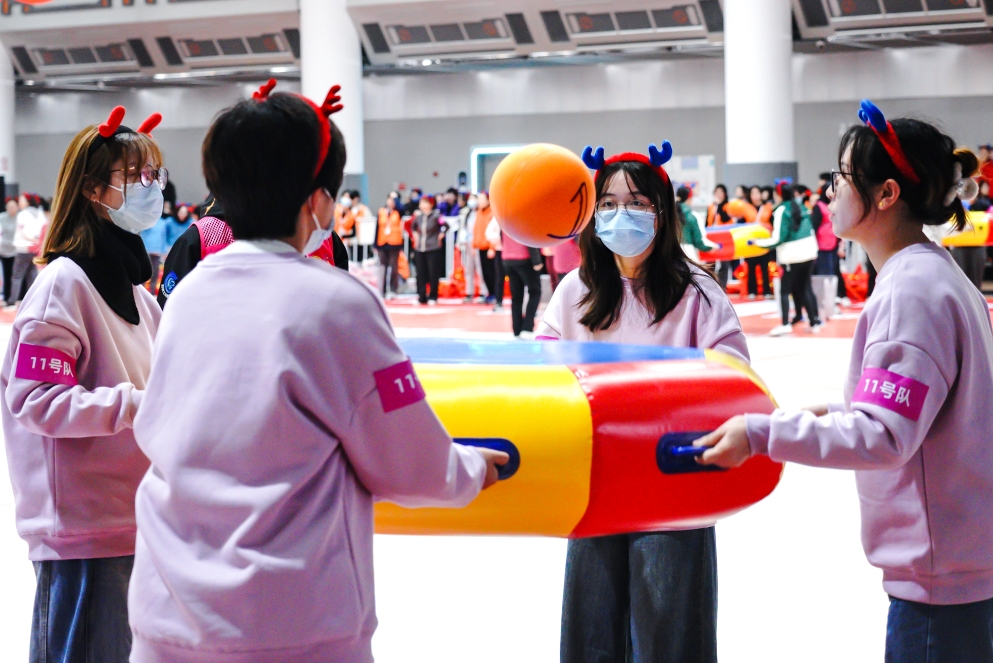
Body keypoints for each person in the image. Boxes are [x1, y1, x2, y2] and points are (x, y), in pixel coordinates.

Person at [128, 85, 506, 663]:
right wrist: (472, 468)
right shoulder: (337, 302)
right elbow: (409, 463)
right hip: (288, 618)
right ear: (321, 200)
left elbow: (157, 424)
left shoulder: (189, 294)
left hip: (168, 607)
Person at [697, 101, 993, 663]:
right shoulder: (934, 274)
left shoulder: (910, 291)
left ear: (886, 194)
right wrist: (832, 413)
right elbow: (917, 414)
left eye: (842, 176)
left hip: (938, 583)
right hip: (959, 563)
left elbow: (885, 437)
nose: (830, 190)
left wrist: (761, 435)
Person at [537, 145, 748, 663]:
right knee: (593, 633)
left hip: (672, 491)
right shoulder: (576, 290)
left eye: (636, 203)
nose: (621, 214)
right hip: (596, 488)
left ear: (662, 211)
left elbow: (736, 383)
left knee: (669, 637)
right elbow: (542, 377)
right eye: (607, 204)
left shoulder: (697, 292)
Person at [1, 106, 164, 663]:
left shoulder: (138, 293)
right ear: (94, 189)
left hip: (134, 518)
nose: (151, 187)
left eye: (154, 176)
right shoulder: (62, 285)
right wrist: (138, 405)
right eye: (135, 176)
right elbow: (34, 400)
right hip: (82, 532)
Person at [754, 180, 821, 335]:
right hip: (810, 251)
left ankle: (785, 324)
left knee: (785, 290)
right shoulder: (801, 206)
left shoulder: (781, 210)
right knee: (805, 287)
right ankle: (814, 322)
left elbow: (778, 238)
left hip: (793, 255)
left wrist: (758, 243)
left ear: (778, 194)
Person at [499, 227, 543, 338]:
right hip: (524, 258)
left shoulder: (506, 220)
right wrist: (536, 261)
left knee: (516, 296)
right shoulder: (523, 219)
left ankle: (517, 328)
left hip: (508, 258)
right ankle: (527, 327)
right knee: (535, 292)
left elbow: (501, 236)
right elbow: (530, 238)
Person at [9, 194, 45, 306]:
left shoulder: (23, 214)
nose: (19, 202)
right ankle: (32, 301)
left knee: (17, 276)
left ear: (28, 202)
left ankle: (12, 301)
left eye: (21, 200)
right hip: (34, 248)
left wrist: (32, 239)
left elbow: (23, 231)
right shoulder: (39, 213)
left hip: (24, 248)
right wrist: (37, 240)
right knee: (32, 276)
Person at [412, 194, 445, 305]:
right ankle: (421, 296)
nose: (422, 205)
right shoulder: (418, 217)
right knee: (420, 273)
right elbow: (412, 227)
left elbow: (445, 226)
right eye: (421, 203)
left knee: (433, 273)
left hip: (433, 248)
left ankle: (433, 296)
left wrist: (441, 235)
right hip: (420, 248)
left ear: (431, 204)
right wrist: (415, 236)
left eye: (425, 203)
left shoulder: (436, 216)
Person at [744, 185, 775, 299]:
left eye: (757, 193)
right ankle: (752, 291)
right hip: (750, 243)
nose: (755, 196)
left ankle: (767, 291)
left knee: (765, 267)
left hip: (764, 241)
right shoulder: (746, 208)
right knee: (751, 268)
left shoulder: (768, 207)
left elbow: (773, 223)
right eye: (753, 193)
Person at [677, 185, 719, 262]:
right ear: (689, 198)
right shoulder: (692, 216)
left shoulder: (668, 215)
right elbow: (698, 241)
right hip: (688, 253)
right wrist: (710, 248)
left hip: (671, 253)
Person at [375, 191, 404, 298]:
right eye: (390, 198)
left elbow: (402, 209)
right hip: (382, 242)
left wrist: (396, 200)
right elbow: (377, 228)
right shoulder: (381, 211)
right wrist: (375, 244)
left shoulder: (398, 211)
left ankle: (393, 289)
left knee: (393, 267)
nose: (391, 201)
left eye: (393, 199)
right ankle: (382, 290)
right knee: (382, 267)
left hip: (394, 243)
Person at [472, 191, 499, 304]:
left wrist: (492, 248)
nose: (479, 202)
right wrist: (474, 245)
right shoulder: (478, 212)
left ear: (488, 200)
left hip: (489, 248)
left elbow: (495, 232)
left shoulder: (493, 213)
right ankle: (489, 293)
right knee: (484, 273)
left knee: (492, 272)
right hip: (481, 247)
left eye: (482, 199)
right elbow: (476, 230)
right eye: (479, 199)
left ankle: (495, 294)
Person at [140, 201, 171, 294]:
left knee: (155, 272)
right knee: (144, 271)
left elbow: (163, 236)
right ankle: (141, 292)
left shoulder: (163, 222)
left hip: (157, 250)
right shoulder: (147, 221)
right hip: (146, 249)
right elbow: (142, 233)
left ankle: (152, 293)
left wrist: (164, 250)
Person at [0, 197, 18, 304]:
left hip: (16, 250)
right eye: (9, 206)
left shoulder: (20, 218)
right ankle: (6, 297)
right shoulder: (2, 217)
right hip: (3, 250)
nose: (11, 209)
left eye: (13, 206)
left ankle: (17, 297)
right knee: (6, 274)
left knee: (16, 275)